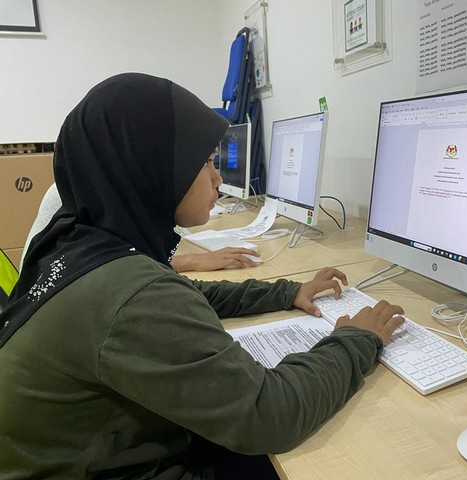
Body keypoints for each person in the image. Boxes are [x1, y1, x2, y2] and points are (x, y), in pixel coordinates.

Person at [0, 73, 404, 479]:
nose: (218, 178)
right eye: (205, 161)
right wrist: (356, 339)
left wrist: (286, 292)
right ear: (153, 165)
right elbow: (269, 414)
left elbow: (180, 294)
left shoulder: (77, 240)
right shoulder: (131, 295)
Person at [21, 183, 261, 272]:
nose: (217, 178)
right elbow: (109, 266)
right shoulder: (92, 191)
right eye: (206, 162)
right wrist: (194, 261)